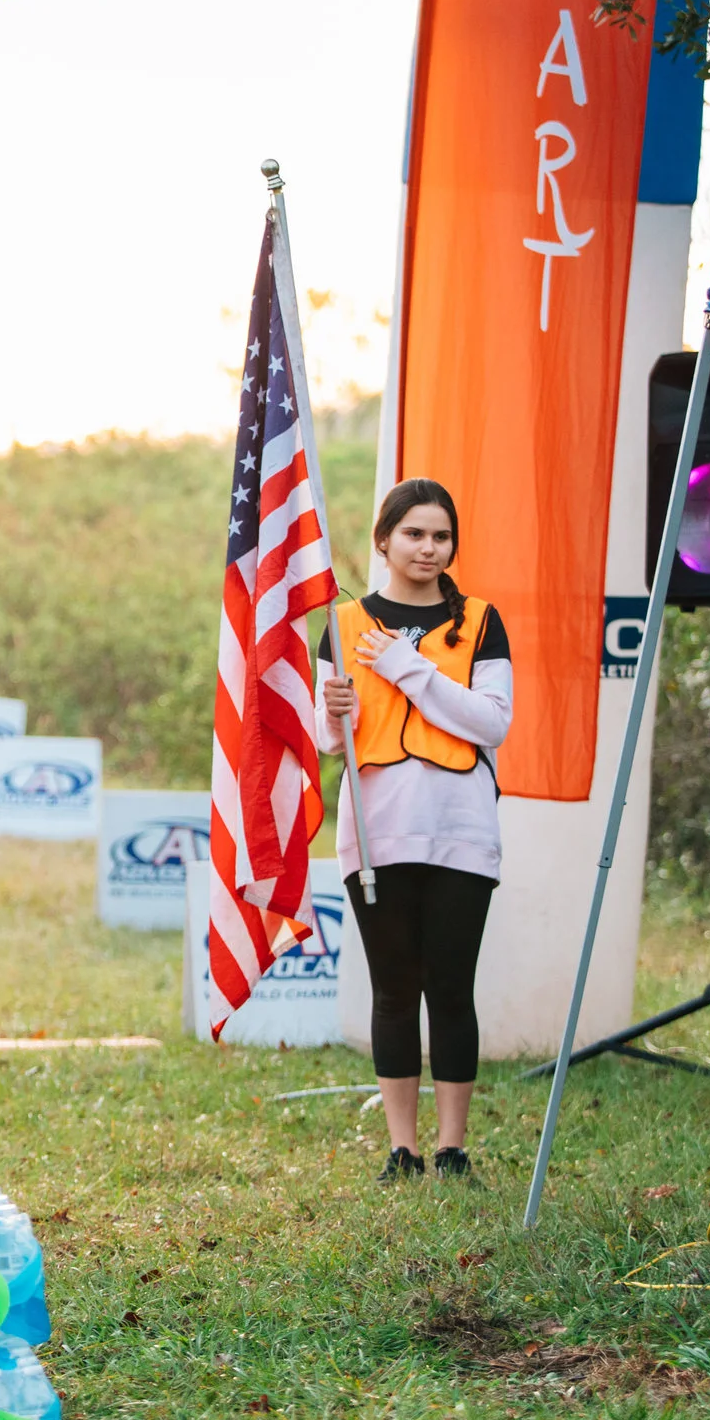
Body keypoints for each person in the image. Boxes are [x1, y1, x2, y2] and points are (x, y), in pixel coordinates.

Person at [316, 478, 513, 1187]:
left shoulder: (481, 621)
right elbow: (327, 740)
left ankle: (452, 1149)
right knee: (394, 990)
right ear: (384, 540)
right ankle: (402, 1150)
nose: (428, 548)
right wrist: (333, 710)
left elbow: (491, 721)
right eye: (414, 534)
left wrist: (407, 667)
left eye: (441, 536)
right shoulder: (343, 623)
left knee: (451, 989)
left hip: (460, 829)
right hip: (377, 832)